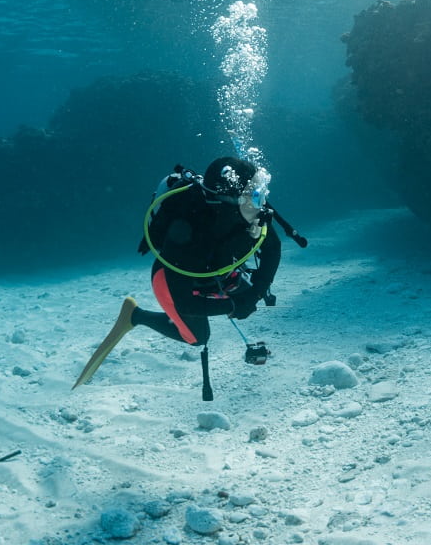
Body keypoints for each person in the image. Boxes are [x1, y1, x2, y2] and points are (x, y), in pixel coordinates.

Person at [74, 156, 304, 391]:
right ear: (224, 202)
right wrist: (234, 306)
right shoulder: (186, 230)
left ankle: (234, 292)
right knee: (199, 337)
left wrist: (255, 294)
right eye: (253, 198)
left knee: (247, 295)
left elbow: (272, 247)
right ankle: (135, 316)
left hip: (218, 273)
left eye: (259, 195)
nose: (259, 206)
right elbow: (186, 303)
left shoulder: (249, 212)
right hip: (173, 280)